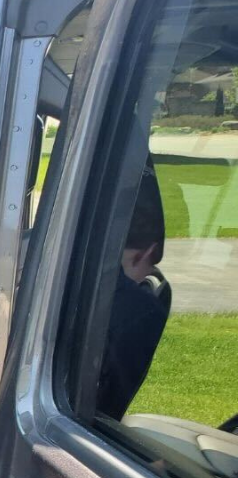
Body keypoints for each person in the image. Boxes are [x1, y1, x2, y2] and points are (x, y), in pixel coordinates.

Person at [96, 164, 170, 420]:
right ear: (146, 253)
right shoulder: (138, 312)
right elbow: (109, 409)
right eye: (148, 272)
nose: (142, 282)